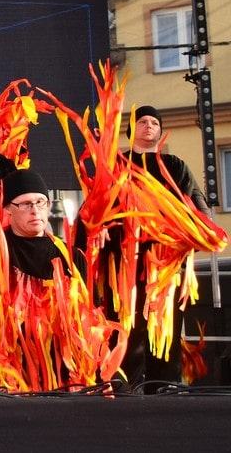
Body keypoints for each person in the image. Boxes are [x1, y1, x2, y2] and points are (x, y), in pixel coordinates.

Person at [0, 169, 90, 391]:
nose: (35, 210)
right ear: (8, 210)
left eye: (40, 202)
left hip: (60, 377)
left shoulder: (70, 256)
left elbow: (88, 315)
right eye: (25, 204)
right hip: (5, 377)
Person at [106, 105, 211, 390]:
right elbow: (95, 211)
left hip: (165, 264)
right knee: (125, 326)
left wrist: (201, 234)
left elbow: (200, 211)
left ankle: (164, 387)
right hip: (124, 265)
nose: (149, 125)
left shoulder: (175, 165)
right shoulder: (115, 164)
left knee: (166, 327)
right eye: (143, 121)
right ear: (132, 129)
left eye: (154, 121)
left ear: (161, 130)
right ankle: (121, 388)